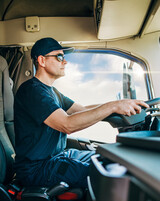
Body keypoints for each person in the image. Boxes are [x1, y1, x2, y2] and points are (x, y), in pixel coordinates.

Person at [14, 37, 149, 188]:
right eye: (59, 57)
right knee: (108, 176)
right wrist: (112, 107)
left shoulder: (53, 92)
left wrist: (122, 105)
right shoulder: (32, 91)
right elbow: (67, 124)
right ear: (42, 61)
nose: (65, 62)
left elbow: (83, 110)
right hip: (37, 169)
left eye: (64, 57)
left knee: (107, 159)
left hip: (57, 156)